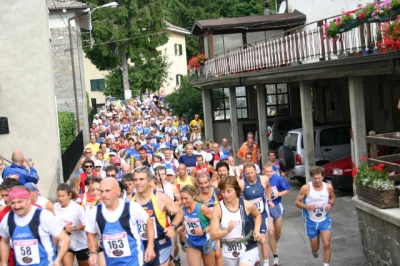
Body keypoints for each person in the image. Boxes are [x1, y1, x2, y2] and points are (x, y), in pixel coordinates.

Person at [86, 178, 156, 266]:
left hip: (134, 261)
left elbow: (149, 222)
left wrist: (150, 246)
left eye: (108, 191)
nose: (104, 195)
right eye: (101, 191)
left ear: (118, 191)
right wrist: (93, 252)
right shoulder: (95, 211)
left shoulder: (131, 207)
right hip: (111, 262)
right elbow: (91, 234)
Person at [0, 186, 71, 266]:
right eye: (13, 203)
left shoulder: (43, 215)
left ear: (28, 201)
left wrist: (57, 260)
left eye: (20, 202)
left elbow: (65, 239)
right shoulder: (8, 218)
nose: (17, 206)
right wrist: (4, 263)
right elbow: (4, 241)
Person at [131, 166, 184, 266]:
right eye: (135, 179)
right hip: (139, 245)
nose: (138, 182)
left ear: (150, 181)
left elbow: (179, 212)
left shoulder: (160, 197)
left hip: (160, 243)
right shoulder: (129, 200)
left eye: (141, 179)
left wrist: (172, 227)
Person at [209, 176, 261, 266]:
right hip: (229, 250)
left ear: (236, 190)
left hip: (248, 246)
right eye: (223, 191)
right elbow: (213, 235)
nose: (225, 195)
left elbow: (257, 215)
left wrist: (256, 229)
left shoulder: (246, 205)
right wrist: (227, 231)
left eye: (229, 191)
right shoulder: (218, 209)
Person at [295, 166, 335, 266]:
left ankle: (326, 264)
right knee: (315, 247)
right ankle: (314, 251)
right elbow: (297, 202)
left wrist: (330, 204)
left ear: (323, 177)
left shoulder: (328, 187)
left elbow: (333, 198)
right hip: (311, 221)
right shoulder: (306, 188)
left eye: (319, 178)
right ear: (311, 177)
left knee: (326, 243)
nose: (317, 180)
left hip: (324, 220)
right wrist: (308, 206)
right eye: (315, 178)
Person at [238, 163, 271, 266]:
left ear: (256, 172)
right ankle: (256, 258)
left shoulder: (264, 179)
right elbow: (237, 197)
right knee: (253, 239)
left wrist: (269, 199)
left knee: (263, 239)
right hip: (249, 217)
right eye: (247, 173)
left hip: (262, 214)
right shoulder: (242, 183)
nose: (250, 175)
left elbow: (268, 187)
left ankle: (266, 263)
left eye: (252, 172)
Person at [263, 162, 291, 266]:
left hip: (277, 206)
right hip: (266, 208)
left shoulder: (278, 179)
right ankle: (275, 257)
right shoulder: (261, 180)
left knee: (278, 233)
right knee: (271, 232)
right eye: (267, 172)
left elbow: (287, 190)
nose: (269, 174)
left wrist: (278, 193)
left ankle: (274, 243)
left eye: (270, 171)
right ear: (263, 171)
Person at [179, 185, 215, 266]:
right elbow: (185, 223)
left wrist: (204, 230)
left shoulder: (202, 208)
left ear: (193, 196)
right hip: (192, 242)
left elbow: (215, 222)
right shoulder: (182, 209)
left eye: (186, 198)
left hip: (206, 241)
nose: (183, 201)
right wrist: (182, 228)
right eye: (182, 199)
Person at [54, 183, 89, 266]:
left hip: (81, 244)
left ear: (69, 195)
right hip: (65, 243)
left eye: (63, 196)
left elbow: (87, 224)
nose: (60, 199)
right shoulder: (55, 207)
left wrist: (74, 228)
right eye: (59, 196)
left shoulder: (77, 208)